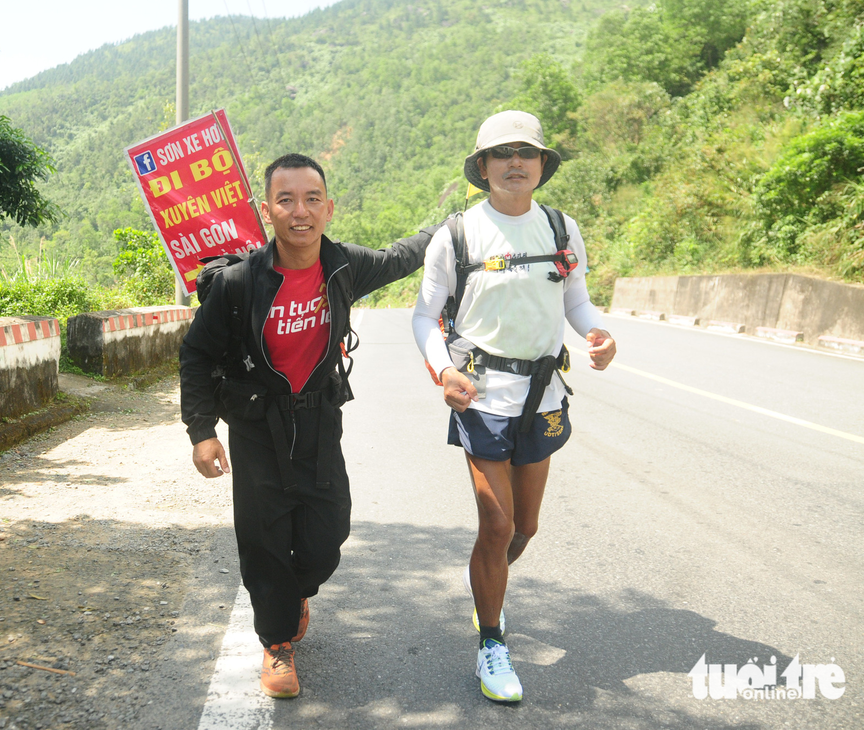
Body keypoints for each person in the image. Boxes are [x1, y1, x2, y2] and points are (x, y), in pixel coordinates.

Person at [180, 153, 440, 699]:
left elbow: (402, 257)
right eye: (286, 200)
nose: (300, 211)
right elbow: (197, 356)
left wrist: (450, 226)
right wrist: (202, 431)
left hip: (320, 418)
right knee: (263, 536)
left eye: (311, 199)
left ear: (327, 206)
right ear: (267, 210)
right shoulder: (239, 283)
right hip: (257, 424)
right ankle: (277, 643)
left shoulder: (344, 265)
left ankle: (295, 592)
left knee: (329, 533)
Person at [411, 111, 616, 703]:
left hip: (544, 396)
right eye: (502, 153)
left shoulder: (560, 228)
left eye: (527, 152)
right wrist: (443, 370)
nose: (515, 162)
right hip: (480, 397)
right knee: (496, 524)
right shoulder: (456, 236)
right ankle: (492, 642)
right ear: (483, 167)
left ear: (542, 165)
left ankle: (487, 592)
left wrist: (596, 334)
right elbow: (425, 316)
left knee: (524, 528)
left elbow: (575, 297)